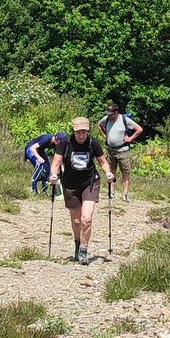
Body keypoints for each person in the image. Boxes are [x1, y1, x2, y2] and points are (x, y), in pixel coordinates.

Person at [49, 116, 114, 265]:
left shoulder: (93, 143)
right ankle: (78, 245)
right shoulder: (65, 143)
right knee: (77, 220)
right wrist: (53, 175)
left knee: (86, 219)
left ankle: (84, 251)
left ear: (87, 131)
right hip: (70, 184)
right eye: (78, 132)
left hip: (90, 182)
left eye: (84, 132)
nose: (81, 135)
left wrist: (108, 173)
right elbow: (56, 163)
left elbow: (103, 162)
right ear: (73, 131)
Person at [101, 100, 145, 203]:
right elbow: (99, 124)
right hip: (111, 150)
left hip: (123, 151)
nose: (109, 116)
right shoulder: (106, 119)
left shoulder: (124, 120)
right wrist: (105, 135)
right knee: (111, 172)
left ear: (116, 112)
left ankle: (125, 193)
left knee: (125, 172)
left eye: (111, 114)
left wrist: (130, 138)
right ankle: (111, 192)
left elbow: (139, 129)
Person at [23, 130, 63, 195]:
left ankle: (44, 190)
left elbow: (57, 158)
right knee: (41, 166)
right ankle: (34, 190)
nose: (60, 144)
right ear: (56, 138)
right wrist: (39, 158)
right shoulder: (46, 139)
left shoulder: (56, 144)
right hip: (31, 149)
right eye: (60, 142)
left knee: (47, 167)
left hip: (40, 150)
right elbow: (33, 148)